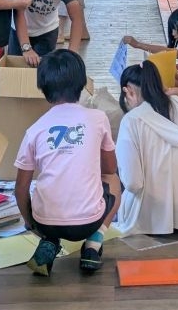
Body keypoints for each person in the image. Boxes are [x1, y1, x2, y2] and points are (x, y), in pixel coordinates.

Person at [14, 50, 121, 275]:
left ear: (43, 89)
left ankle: (49, 240)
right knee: (113, 179)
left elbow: (20, 189)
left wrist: (32, 225)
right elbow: (110, 168)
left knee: (36, 190)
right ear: (82, 84)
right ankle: (93, 244)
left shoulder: (34, 130)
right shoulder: (98, 118)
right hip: (89, 221)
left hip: (45, 222)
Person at [113, 60, 178, 236]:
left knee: (114, 172)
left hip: (152, 216)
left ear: (128, 91)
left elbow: (133, 183)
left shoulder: (132, 121)